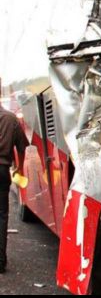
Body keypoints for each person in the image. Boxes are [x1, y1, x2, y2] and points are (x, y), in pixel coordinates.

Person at [0, 102, 28, 273]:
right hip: (2, 170)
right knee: (1, 215)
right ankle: (0, 262)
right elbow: (22, 148)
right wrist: (19, 167)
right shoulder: (11, 118)